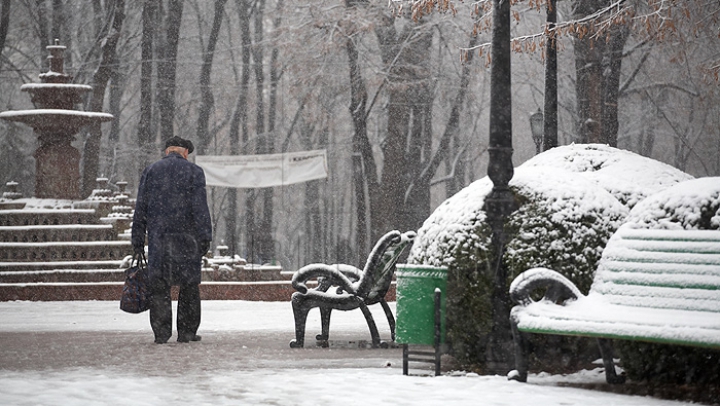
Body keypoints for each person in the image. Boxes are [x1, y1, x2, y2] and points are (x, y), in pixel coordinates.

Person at [131, 136, 212, 344]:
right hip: (187, 240)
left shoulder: (151, 171)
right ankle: (186, 332)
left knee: (159, 288)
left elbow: (141, 208)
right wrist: (204, 237)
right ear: (185, 152)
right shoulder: (194, 172)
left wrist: (138, 240)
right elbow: (200, 208)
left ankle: (161, 333)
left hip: (159, 240)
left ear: (167, 151)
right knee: (189, 287)